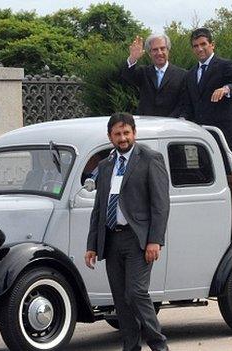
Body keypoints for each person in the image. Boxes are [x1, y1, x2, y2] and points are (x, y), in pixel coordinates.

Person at [85, 112, 170, 351]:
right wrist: (92, 245)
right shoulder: (105, 165)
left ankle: (159, 345)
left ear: (134, 133)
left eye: (126, 133)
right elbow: (99, 208)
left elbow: (161, 204)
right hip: (112, 240)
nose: (122, 138)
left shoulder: (150, 158)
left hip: (138, 240)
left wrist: (155, 240)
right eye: (117, 134)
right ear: (110, 136)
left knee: (135, 292)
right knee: (121, 301)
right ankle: (130, 347)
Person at [179, 27, 232, 170]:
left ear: (212, 45)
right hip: (203, 139)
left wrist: (226, 89)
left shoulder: (225, 65)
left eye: (203, 44)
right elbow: (188, 105)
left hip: (227, 137)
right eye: (196, 46)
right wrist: (181, 120)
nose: (200, 49)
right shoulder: (190, 74)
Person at [121, 34, 186, 117]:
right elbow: (127, 77)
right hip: (146, 124)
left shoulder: (182, 75)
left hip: (170, 125)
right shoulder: (143, 72)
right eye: (155, 50)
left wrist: (170, 121)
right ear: (149, 53)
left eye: (162, 48)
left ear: (168, 50)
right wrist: (132, 58)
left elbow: (183, 103)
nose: (159, 53)